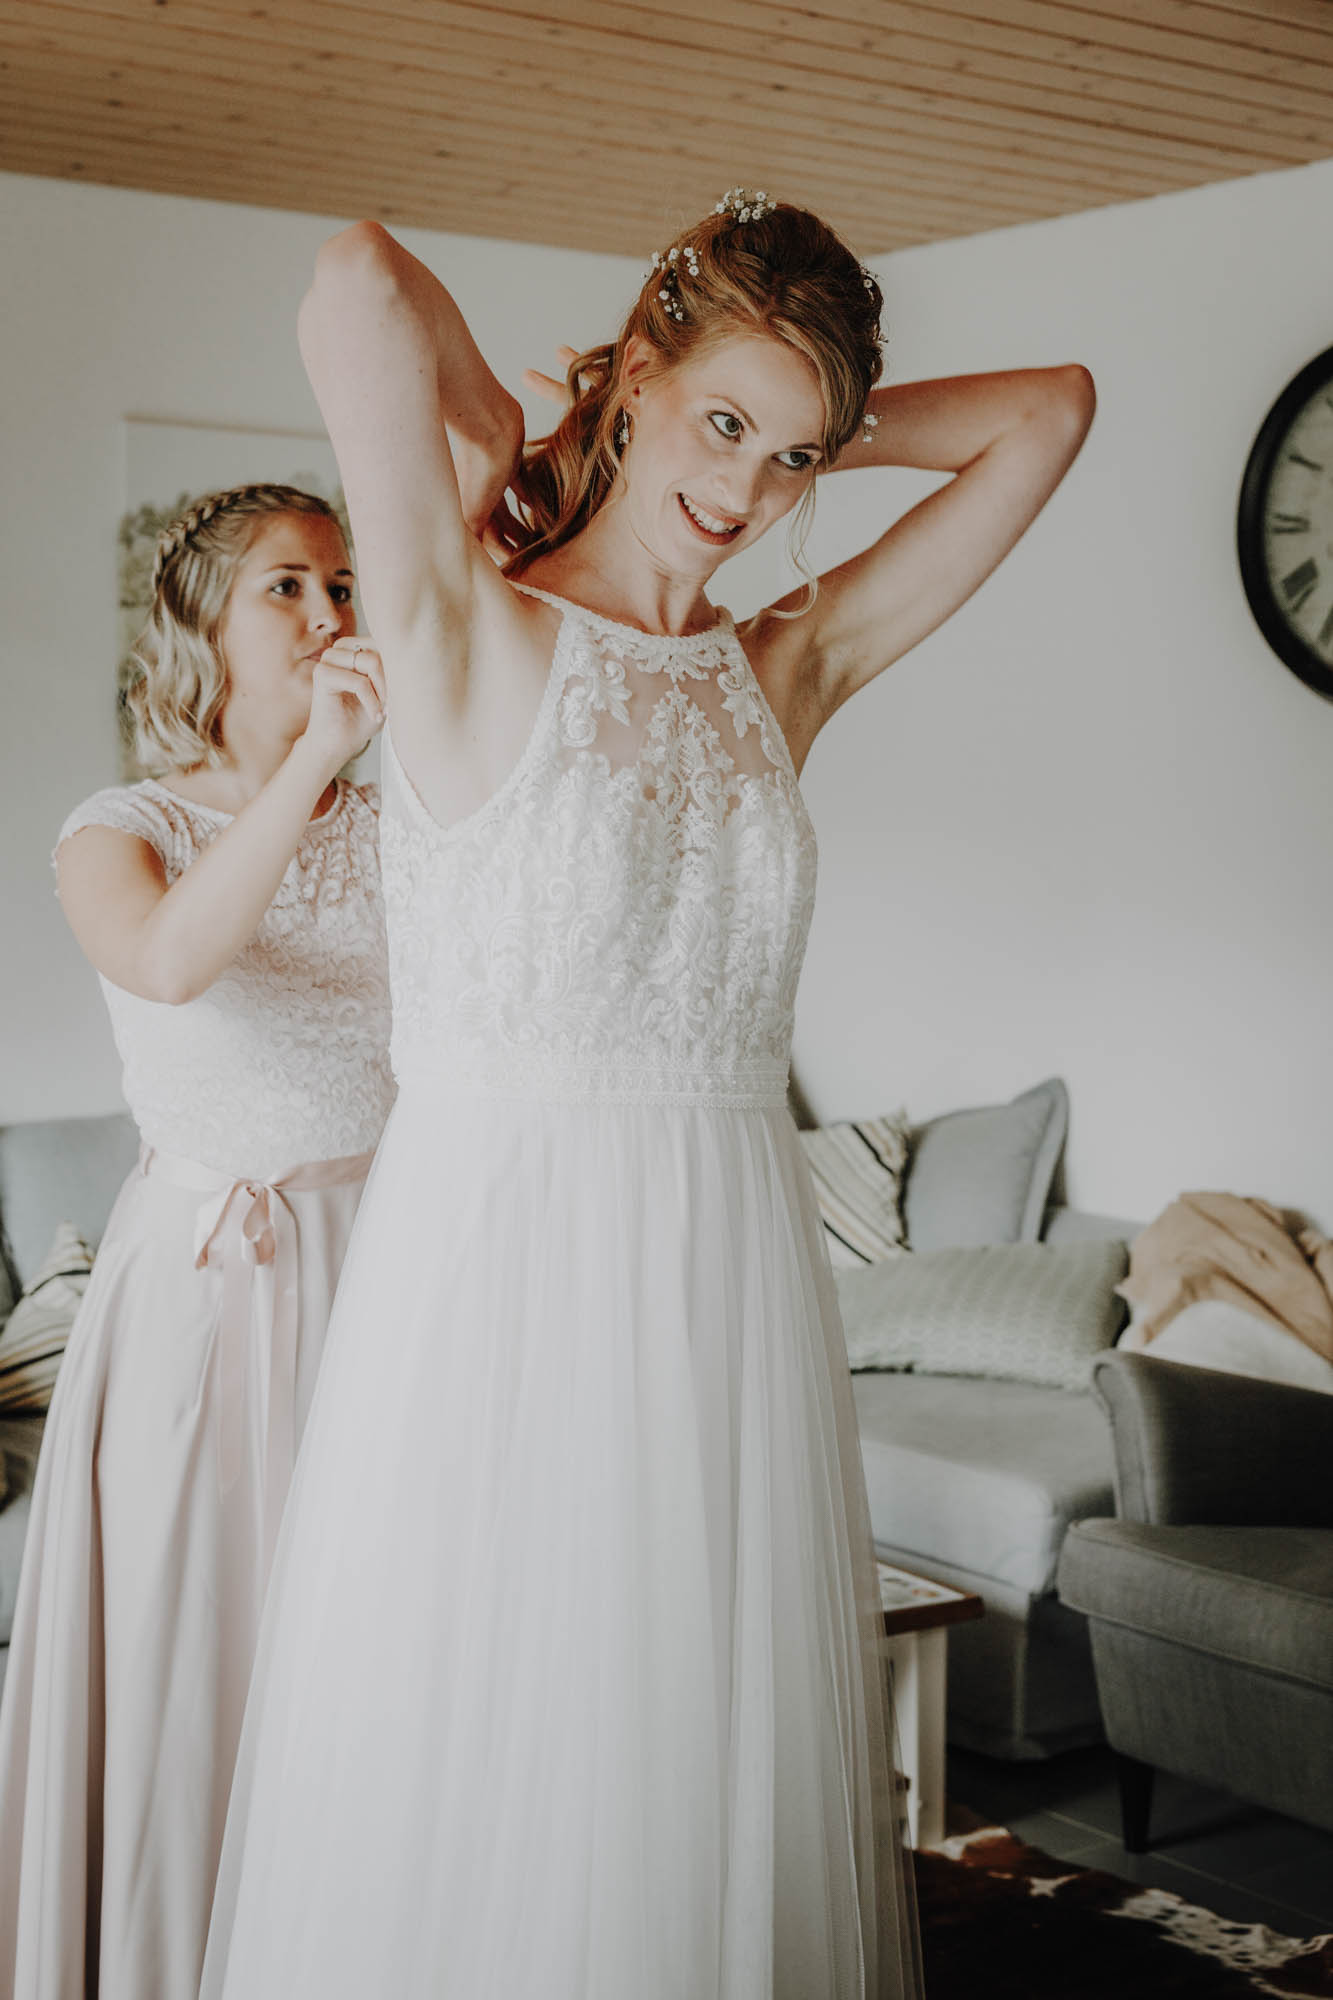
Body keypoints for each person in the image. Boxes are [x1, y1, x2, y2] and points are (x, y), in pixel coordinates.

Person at [201, 196, 1094, 2000]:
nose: (748, 489)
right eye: (720, 424)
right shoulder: (461, 617)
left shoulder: (781, 664)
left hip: (728, 1287)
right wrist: (515, 421)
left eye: (792, 458)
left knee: (692, 1759)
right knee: (506, 1743)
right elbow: (357, 274)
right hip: (502, 1288)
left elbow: (1049, 411)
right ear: (636, 383)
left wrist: (813, 424)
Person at [0, 484, 396, 1999]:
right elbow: (170, 963)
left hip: (384, 1270)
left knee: (365, 1640)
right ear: (202, 625)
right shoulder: (118, 829)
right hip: (201, 1289)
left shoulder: (403, 830)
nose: (329, 613)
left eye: (342, 583)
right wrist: (313, 762)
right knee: (187, 1648)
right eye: (287, 586)